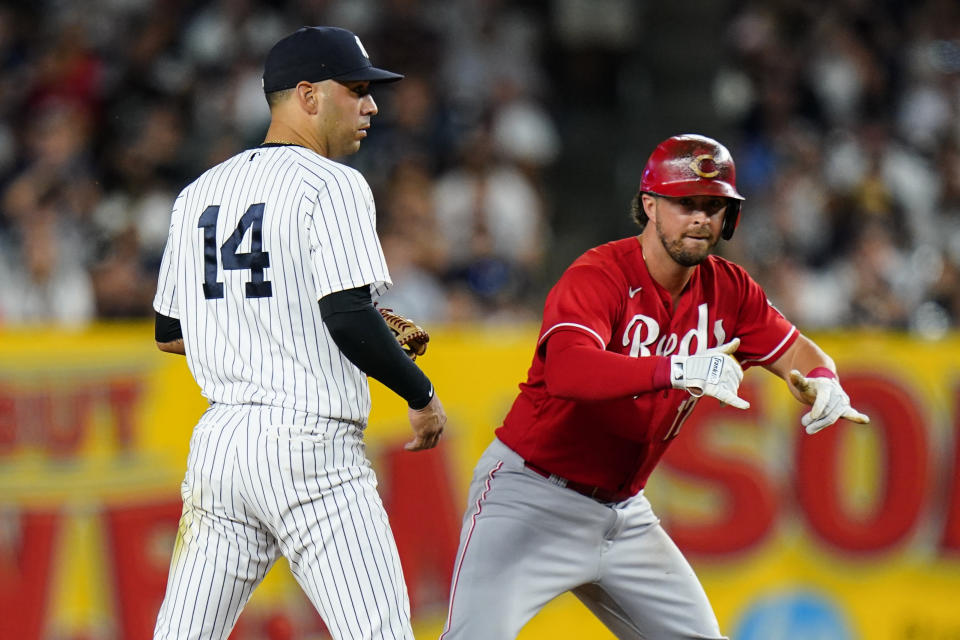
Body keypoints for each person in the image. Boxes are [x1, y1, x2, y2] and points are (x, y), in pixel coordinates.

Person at [440, 134, 869, 640]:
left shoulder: (730, 289)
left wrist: (824, 379)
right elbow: (569, 371)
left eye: (714, 206)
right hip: (531, 495)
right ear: (650, 204)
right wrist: (675, 369)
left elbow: (798, 351)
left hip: (624, 514)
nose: (701, 218)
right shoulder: (599, 274)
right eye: (685, 202)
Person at [151, 26, 446, 640]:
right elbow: (346, 315)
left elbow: (170, 333)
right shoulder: (332, 183)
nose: (372, 106)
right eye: (357, 90)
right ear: (307, 96)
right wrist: (419, 394)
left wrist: (266, 324)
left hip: (221, 450)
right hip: (310, 447)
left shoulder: (197, 194)